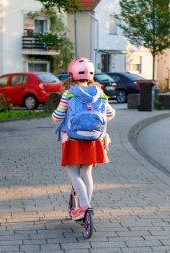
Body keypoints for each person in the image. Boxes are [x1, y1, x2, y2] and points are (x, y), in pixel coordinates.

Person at [52, 58, 115, 220]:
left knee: (73, 171)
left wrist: (55, 116)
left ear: (72, 74)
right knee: (86, 172)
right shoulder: (100, 92)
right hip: (94, 138)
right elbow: (110, 114)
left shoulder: (69, 93)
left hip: (72, 139)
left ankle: (85, 206)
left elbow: (58, 116)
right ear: (91, 74)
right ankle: (85, 206)